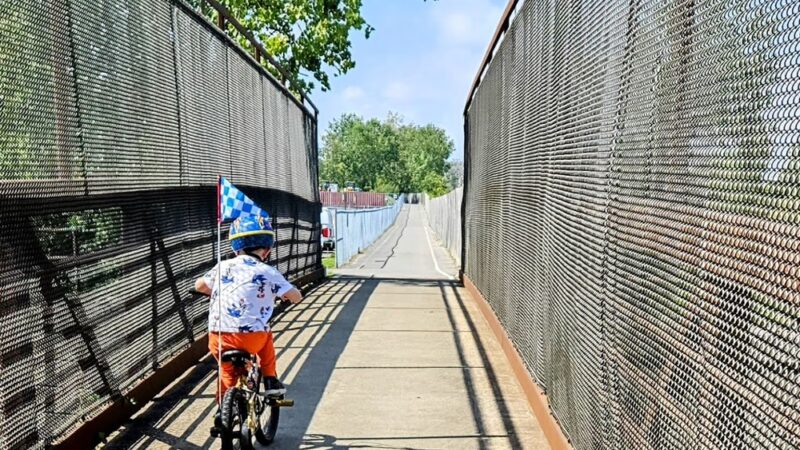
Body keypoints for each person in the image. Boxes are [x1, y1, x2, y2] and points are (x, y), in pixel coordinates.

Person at [194, 214, 303, 423]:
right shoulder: (268, 271)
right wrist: (288, 296)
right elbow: (295, 296)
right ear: (267, 250)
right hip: (251, 338)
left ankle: (222, 412)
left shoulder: (222, 267)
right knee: (266, 337)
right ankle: (270, 380)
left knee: (226, 372)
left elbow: (200, 286)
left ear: (236, 247)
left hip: (218, 337)